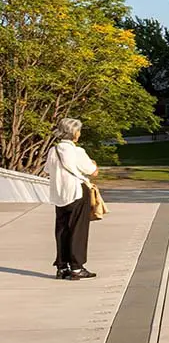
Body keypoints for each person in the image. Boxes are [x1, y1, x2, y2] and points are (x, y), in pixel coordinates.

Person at [44, 118, 99, 280]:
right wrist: (94, 165)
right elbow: (92, 171)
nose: (79, 134)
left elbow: (47, 170)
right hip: (77, 192)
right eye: (78, 130)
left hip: (59, 194)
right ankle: (76, 267)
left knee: (62, 230)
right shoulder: (77, 151)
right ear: (74, 132)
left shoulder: (53, 150)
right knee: (77, 229)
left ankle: (62, 267)